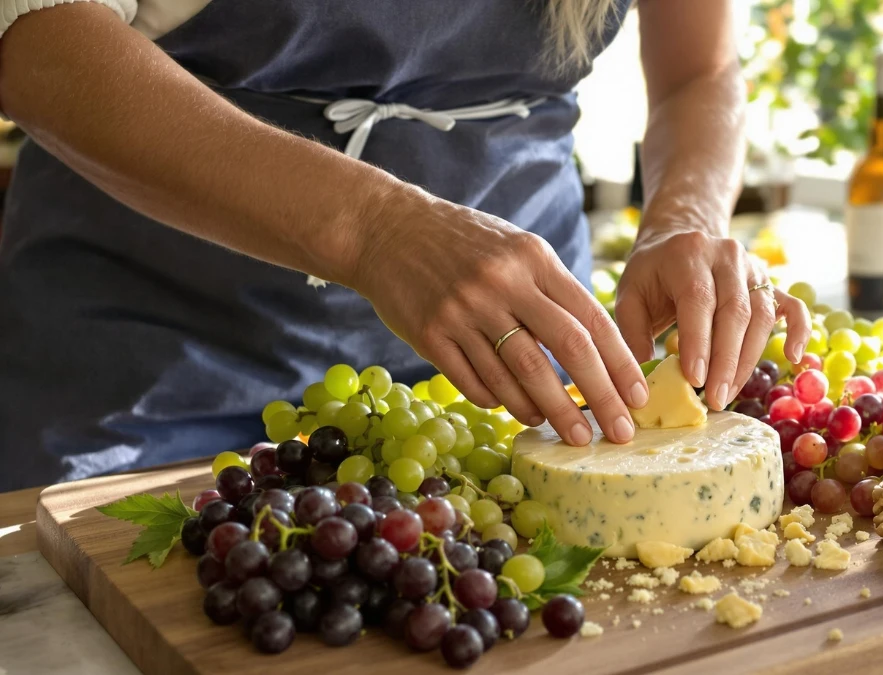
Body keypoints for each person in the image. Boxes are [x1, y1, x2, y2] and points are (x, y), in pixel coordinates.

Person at [0, 0, 810, 492]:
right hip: (144, 367)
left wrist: (683, 219)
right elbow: (37, 38)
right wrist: (377, 227)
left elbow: (699, 71)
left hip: (501, 378)